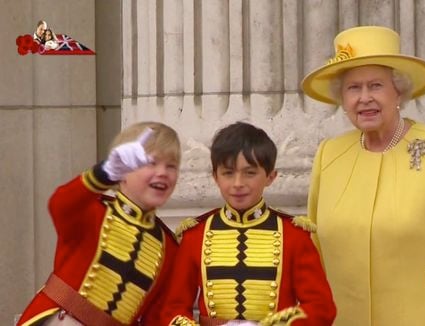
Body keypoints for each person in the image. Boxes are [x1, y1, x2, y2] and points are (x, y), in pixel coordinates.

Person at [301, 26, 425, 325]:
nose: (364, 98)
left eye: (375, 86)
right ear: (342, 99)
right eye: (353, 88)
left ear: (398, 90)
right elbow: (315, 256)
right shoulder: (329, 155)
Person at [160, 122, 336, 326]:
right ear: (215, 177)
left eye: (250, 173)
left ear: (271, 177)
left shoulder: (294, 235)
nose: (238, 183)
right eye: (228, 173)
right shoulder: (195, 236)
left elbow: (321, 306)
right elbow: (172, 309)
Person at [17, 121, 182, 326]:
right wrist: (104, 173)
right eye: (151, 163)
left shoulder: (169, 247)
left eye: (171, 166)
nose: (162, 172)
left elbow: (157, 317)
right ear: (124, 169)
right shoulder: (93, 211)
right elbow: (60, 204)